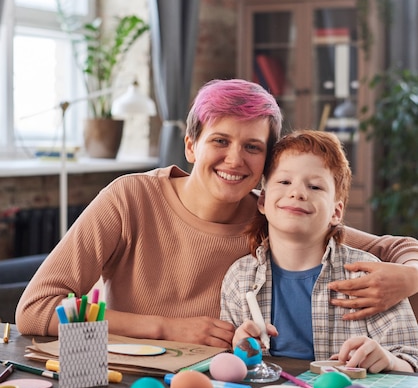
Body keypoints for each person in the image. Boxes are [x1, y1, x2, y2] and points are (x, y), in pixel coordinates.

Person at [16, 80, 418, 347]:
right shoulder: (130, 197)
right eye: (220, 141)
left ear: (267, 161)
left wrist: (408, 277)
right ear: (191, 146)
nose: (235, 159)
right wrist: (166, 328)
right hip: (131, 376)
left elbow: (396, 246)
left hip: (223, 385)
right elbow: (37, 310)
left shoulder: (273, 216)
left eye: (253, 147)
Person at [221, 130, 418, 372]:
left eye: (315, 186)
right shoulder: (239, 278)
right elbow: (229, 363)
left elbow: (412, 361)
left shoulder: (370, 279)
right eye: (284, 182)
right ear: (262, 201)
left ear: (336, 213)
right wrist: (238, 349)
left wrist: (387, 360)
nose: (298, 193)